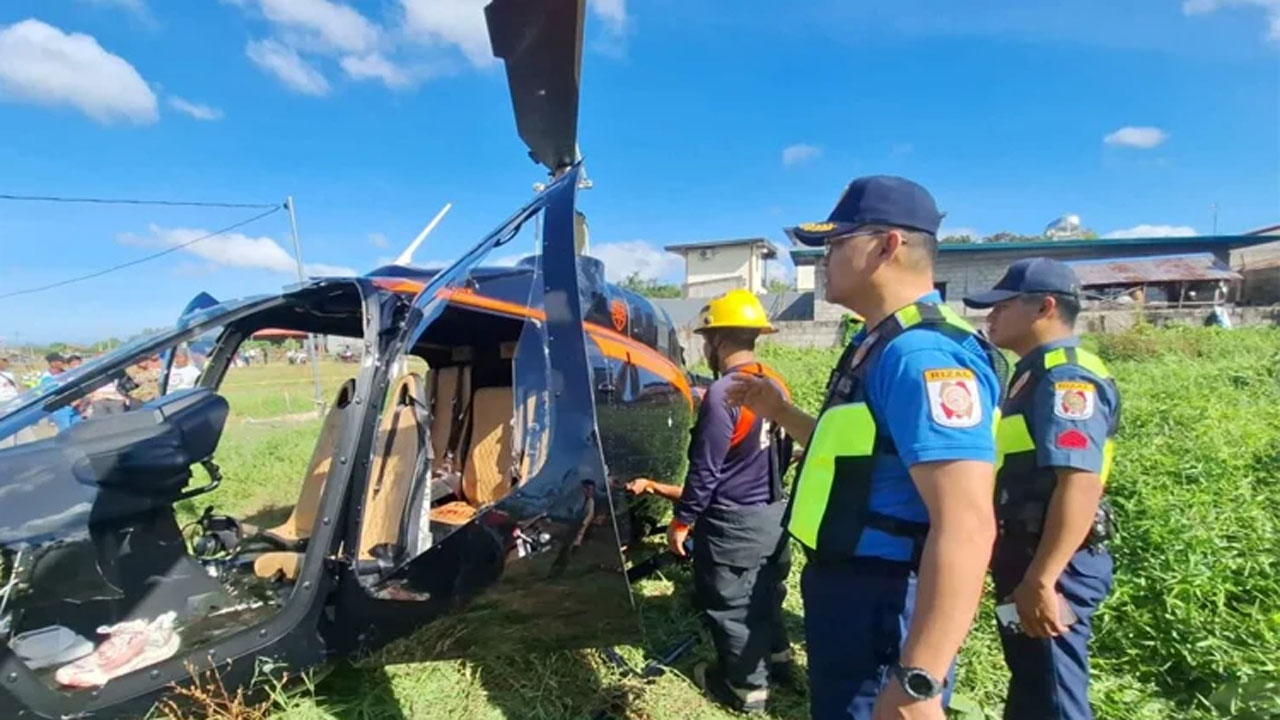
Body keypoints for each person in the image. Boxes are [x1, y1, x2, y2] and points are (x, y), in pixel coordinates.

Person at [727, 175, 1005, 720]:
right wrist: (781, 414)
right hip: (850, 589)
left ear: (888, 245)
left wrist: (918, 680)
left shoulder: (923, 355)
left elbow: (967, 524)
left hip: (883, 599)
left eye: (835, 244)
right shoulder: (879, 341)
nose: (822, 258)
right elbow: (860, 458)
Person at [963, 259, 1119, 720]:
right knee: (1032, 682)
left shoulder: (1065, 378)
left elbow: (1080, 481)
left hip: (1053, 562)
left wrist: (1043, 579)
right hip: (1027, 553)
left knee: (1055, 693)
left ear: (1045, 307)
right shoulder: (1032, 373)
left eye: (1002, 306)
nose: (989, 316)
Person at [627, 289, 795, 714]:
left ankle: (745, 689)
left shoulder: (724, 394)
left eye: (705, 339)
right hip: (774, 517)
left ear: (716, 340)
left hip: (734, 523)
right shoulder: (775, 384)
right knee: (766, 591)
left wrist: (681, 522)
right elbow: (781, 453)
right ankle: (779, 659)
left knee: (733, 606)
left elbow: (706, 470)